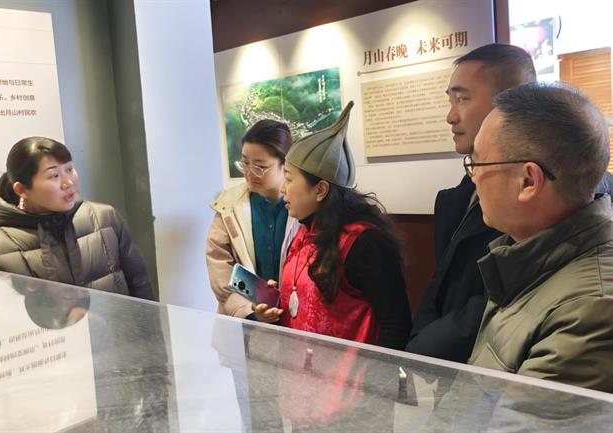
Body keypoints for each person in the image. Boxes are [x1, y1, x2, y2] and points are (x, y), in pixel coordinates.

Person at [467, 82, 613, 393]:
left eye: (477, 163)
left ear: (528, 181)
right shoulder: (527, 258)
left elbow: (523, 417)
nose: (474, 177)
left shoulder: (590, 311)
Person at [406, 44, 537, 362]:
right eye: (450, 101)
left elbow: (503, 297)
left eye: (462, 99)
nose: (451, 116)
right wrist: (419, 342)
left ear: (509, 104)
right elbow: (440, 283)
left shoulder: (534, 195)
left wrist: (425, 347)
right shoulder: (457, 197)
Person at [254, 101, 412, 350]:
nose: (283, 189)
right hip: (298, 370)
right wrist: (273, 307)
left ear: (320, 190)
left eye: (289, 179)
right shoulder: (303, 231)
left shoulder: (364, 242)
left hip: (351, 374)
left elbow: (396, 324)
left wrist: (378, 374)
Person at [0, 136, 153, 300]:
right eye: (54, 175)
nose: (68, 182)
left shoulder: (103, 217)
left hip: (115, 331)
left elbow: (140, 286)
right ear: (22, 190)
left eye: (69, 169)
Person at [206, 119, 294, 319]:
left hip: (295, 320)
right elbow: (220, 267)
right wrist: (251, 315)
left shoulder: (302, 206)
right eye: (245, 162)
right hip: (244, 321)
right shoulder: (228, 206)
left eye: (260, 166)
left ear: (285, 164)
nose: (249, 173)